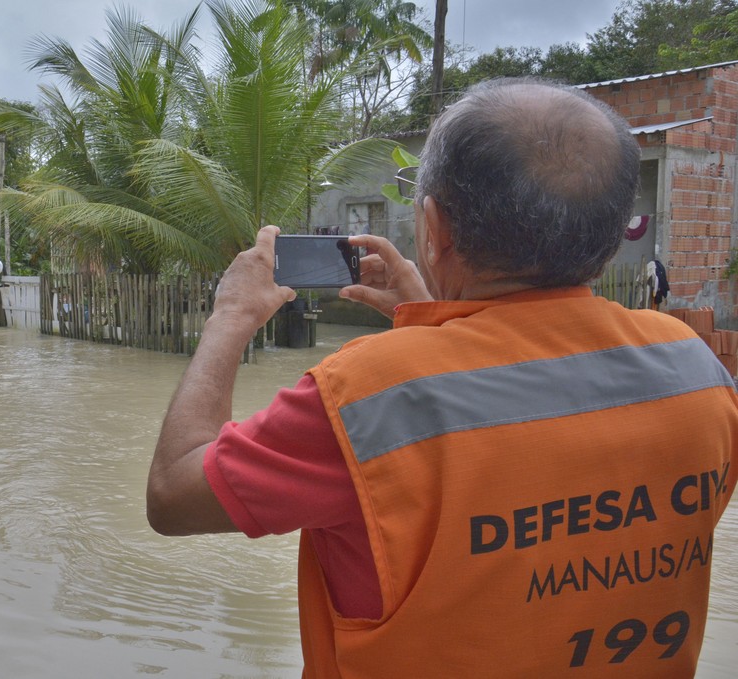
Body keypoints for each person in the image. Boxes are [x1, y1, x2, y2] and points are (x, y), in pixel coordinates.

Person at [146, 78, 738, 678]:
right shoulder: (695, 369)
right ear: (614, 235)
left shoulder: (365, 394)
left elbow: (174, 494)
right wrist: (435, 313)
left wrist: (231, 316)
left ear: (435, 227)